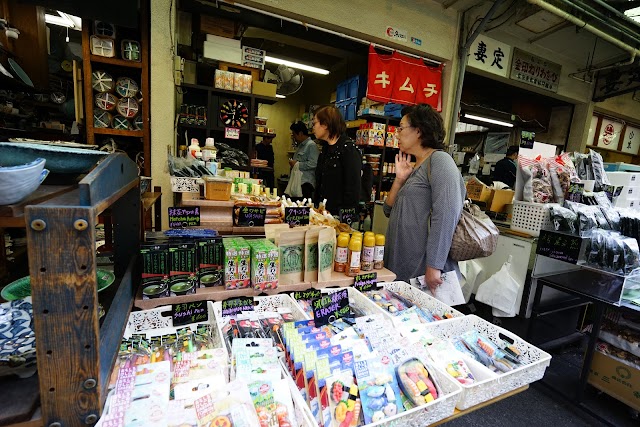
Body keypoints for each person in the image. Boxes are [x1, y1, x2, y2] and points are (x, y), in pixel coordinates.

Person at [383, 104, 465, 292]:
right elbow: (388, 210)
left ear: (418, 131)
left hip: (424, 269)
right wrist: (399, 180)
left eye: (401, 128)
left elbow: (446, 214)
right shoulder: (416, 166)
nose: (397, 134)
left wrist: (434, 266)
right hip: (403, 261)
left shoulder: (440, 161)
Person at [314, 106, 362, 215]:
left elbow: (353, 188)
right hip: (322, 213)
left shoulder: (348, 150)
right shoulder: (325, 149)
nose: (314, 127)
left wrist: (344, 218)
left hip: (339, 216)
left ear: (325, 124)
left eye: (315, 123)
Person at [289, 121, 319, 199]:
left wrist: (297, 164)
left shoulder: (311, 145)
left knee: (303, 209)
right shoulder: (300, 146)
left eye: (294, 134)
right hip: (297, 183)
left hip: (305, 185)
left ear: (301, 133)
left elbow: (314, 163)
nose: (293, 137)